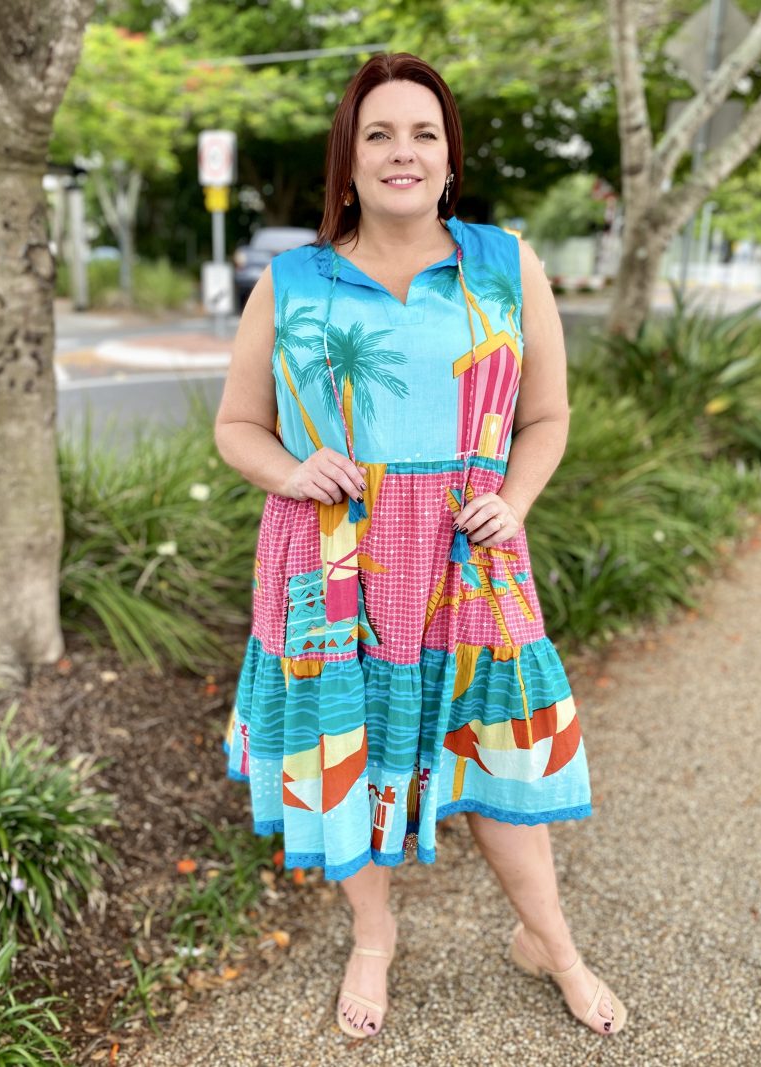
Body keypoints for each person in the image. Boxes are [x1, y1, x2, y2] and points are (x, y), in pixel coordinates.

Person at [215, 52, 626, 1041]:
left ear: (448, 158)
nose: (403, 151)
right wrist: (290, 472)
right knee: (344, 747)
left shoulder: (504, 264)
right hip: (330, 558)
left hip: (467, 554)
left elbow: (546, 416)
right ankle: (373, 932)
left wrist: (513, 502)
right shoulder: (293, 281)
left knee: (499, 750)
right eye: (379, 133)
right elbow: (238, 425)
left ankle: (551, 942)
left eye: (423, 133)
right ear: (349, 160)